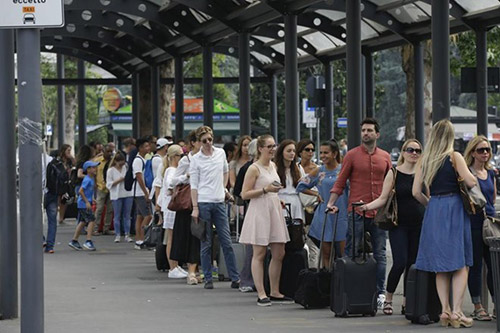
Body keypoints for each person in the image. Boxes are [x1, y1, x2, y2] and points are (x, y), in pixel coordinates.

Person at [412, 119, 476, 328]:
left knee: (440, 265)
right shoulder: (454, 156)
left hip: (434, 210)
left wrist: (431, 204)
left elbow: (416, 192)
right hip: (454, 207)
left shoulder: (425, 159)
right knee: (460, 262)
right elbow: (470, 181)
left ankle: (444, 310)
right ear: (449, 136)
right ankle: (457, 311)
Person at [327, 118, 392, 308]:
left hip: (379, 213)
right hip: (356, 212)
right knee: (352, 252)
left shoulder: (385, 157)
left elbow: (392, 184)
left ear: (377, 134)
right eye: (363, 130)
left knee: (380, 254)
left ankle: (379, 293)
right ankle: (349, 291)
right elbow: (340, 181)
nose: (366, 133)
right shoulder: (352, 155)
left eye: (370, 130)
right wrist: (330, 203)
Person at [359, 139, 424, 315]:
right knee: (400, 262)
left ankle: (407, 301)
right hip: (399, 225)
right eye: (410, 150)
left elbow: (429, 197)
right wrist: (366, 207)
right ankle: (388, 298)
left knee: (413, 264)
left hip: (419, 225)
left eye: (418, 150)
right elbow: (383, 198)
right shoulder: (394, 173)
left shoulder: (423, 173)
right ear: (403, 152)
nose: (414, 153)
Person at [239, 134, 292, 306]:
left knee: (279, 252)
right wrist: (265, 190)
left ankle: (275, 291)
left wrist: (277, 196)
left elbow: (273, 187)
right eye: (269, 146)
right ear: (260, 148)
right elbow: (244, 194)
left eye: (273, 146)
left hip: (274, 207)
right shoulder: (254, 168)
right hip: (259, 210)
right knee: (259, 253)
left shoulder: (274, 165)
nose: (272, 149)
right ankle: (261, 293)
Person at [190, 126, 240, 290]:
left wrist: (223, 188)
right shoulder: (196, 159)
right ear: (199, 142)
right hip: (204, 201)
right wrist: (195, 207)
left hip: (219, 201)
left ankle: (235, 277)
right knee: (206, 242)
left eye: (210, 139)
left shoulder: (220, 154)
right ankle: (208, 277)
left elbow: (225, 171)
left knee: (226, 241)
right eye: (204, 141)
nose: (208, 143)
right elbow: (194, 185)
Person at [297, 140, 348, 268]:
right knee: (326, 252)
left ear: (335, 153)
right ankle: (328, 280)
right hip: (324, 215)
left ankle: (342, 282)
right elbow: (301, 185)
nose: (323, 155)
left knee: (344, 253)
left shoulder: (344, 170)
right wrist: (316, 194)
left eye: (326, 152)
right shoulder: (319, 171)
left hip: (342, 214)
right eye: (321, 153)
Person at [464, 135, 495, 321]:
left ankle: (495, 303)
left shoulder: (491, 173)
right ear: (473, 153)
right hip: (474, 223)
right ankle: (478, 306)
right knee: (475, 265)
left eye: (487, 150)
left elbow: (492, 198)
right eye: (481, 150)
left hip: (491, 222)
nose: (485, 153)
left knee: (494, 266)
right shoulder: (467, 173)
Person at [169, 130, 201, 285]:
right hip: (187, 204)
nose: (206, 144)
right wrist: (187, 176)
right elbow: (173, 181)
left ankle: (196, 269)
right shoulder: (186, 160)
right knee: (189, 236)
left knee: (201, 236)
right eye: (202, 140)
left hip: (204, 200)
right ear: (193, 142)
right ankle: (192, 269)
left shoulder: (209, 158)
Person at [160, 144, 188, 279]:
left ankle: (175, 265)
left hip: (170, 206)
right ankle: (172, 266)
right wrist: (185, 177)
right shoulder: (171, 170)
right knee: (171, 236)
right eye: (180, 156)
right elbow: (171, 184)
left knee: (173, 236)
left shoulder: (171, 169)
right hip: (171, 207)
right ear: (174, 157)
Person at [296, 139, 320, 268]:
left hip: (312, 209)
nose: (310, 152)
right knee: (298, 242)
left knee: (313, 244)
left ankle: (313, 271)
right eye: (307, 149)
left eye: (312, 150)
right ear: (300, 151)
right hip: (297, 208)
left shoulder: (316, 169)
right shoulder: (295, 168)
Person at [68, 161, 100, 251]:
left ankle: (74, 240)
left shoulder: (91, 178)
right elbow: (81, 191)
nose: (95, 169)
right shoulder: (87, 179)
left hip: (85, 202)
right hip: (83, 204)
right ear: (88, 169)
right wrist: (87, 202)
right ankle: (88, 240)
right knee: (91, 220)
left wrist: (92, 199)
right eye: (93, 167)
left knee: (82, 222)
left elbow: (87, 192)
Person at [106, 152, 134, 243]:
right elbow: (109, 184)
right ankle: (117, 234)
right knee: (117, 216)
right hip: (116, 195)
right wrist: (119, 180)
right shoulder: (111, 171)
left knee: (127, 215)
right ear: (115, 162)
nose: (122, 164)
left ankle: (127, 234)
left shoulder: (126, 167)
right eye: (120, 163)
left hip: (127, 193)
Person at [132, 137, 153, 249]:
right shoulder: (138, 161)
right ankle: (143, 238)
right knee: (148, 215)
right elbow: (139, 176)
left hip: (140, 192)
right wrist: (145, 192)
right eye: (146, 146)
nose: (148, 148)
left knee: (140, 216)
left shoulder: (142, 160)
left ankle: (139, 240)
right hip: (140, 192)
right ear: (140, 148)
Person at [93, 143, 115, 235]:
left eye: (111, 152)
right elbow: (94, 174)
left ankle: (106, 228)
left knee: (110, 209)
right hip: (101, 187)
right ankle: (95, 228)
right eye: (108, 151)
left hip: (111, 187)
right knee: (99, 208)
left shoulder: (113, 161)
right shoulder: (97, 161)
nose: (109, 153)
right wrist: (95, 186)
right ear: (103, 152)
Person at [57, 144, 75, 225]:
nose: (69, 152)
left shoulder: (69, 161)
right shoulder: (59, 160)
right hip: (59, 183)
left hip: (67, 183)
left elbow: (75, 164)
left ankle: (61, 217)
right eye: (68, 150)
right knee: (59, 199)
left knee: (64, 200)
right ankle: (58, 216)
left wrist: (71, 157)